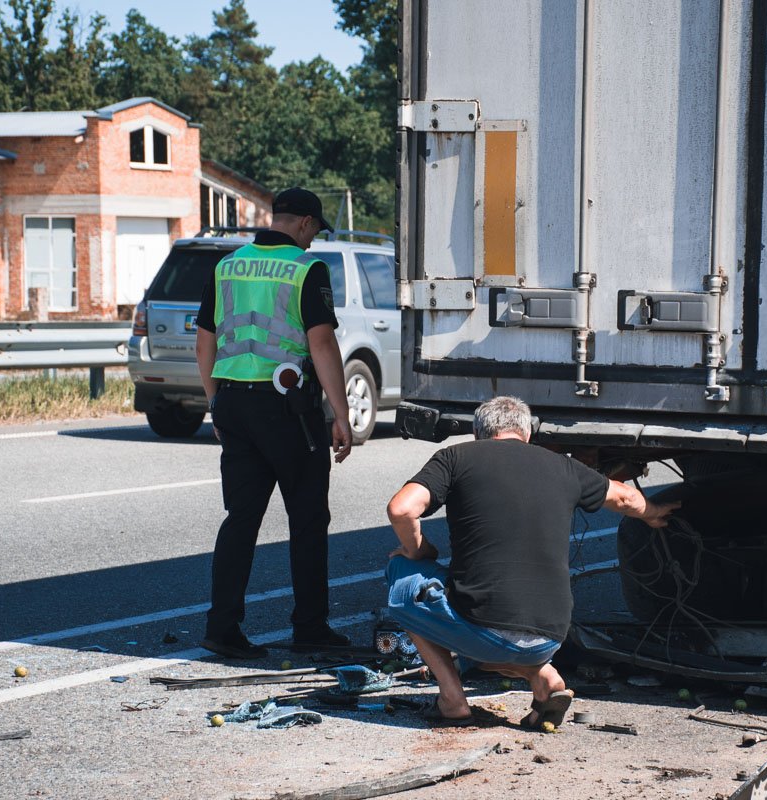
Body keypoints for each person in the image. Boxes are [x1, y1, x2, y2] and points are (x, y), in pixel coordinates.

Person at [384, 396, 678, 727]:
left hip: (484, 631)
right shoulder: (564, 467)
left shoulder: (456, 457)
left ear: (479, 433)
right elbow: (626, 497)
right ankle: (543, 675)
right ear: (526, 434)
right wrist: (654, 515)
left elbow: (402, 509)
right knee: (499, 634)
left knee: (402, 573)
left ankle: (452, 699)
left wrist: (419, 550)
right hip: (550, 638)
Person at [195, 187, 353, 660]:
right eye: (314, 231)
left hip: (233, 405)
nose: (312, 240)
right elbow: (321, 344)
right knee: (307, 519)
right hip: (287, 411)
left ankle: (222, 629)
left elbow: (205, 342)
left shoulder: (227, 264)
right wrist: (340, 414)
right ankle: (309, 626)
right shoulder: (307, 268)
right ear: (304, 223)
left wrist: (214, 403)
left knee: (240, 519)